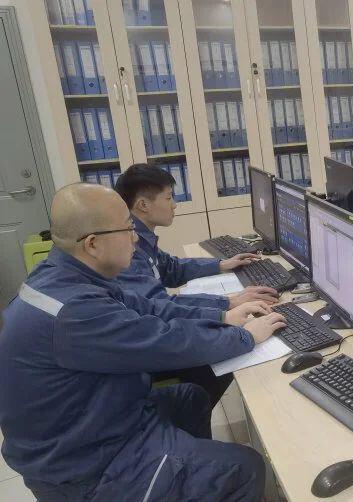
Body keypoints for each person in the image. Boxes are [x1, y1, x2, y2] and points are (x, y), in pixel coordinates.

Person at [0, 183, 286, 501]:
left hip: (93, 421)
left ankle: (184, 475)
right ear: (93, 243)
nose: (136, 238)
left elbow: (148, 308)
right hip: (85, 467)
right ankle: (180, 476)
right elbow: (164, 342)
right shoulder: (74, 311)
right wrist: (246, 335)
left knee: (190, 398)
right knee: (244, 468)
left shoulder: (65, 274)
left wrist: (223, 314)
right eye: (127, 229)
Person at [115, 164, 279, 408]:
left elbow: (170, 268)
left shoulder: (140, 239)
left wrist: (221, 265)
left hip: (150, 341)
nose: (175, 205)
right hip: (148, 356)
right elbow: (159, 307)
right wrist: (228, 306)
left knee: (235, 337)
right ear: (143, 205)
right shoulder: (129, 248)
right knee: (231, 350)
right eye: (169, 198)